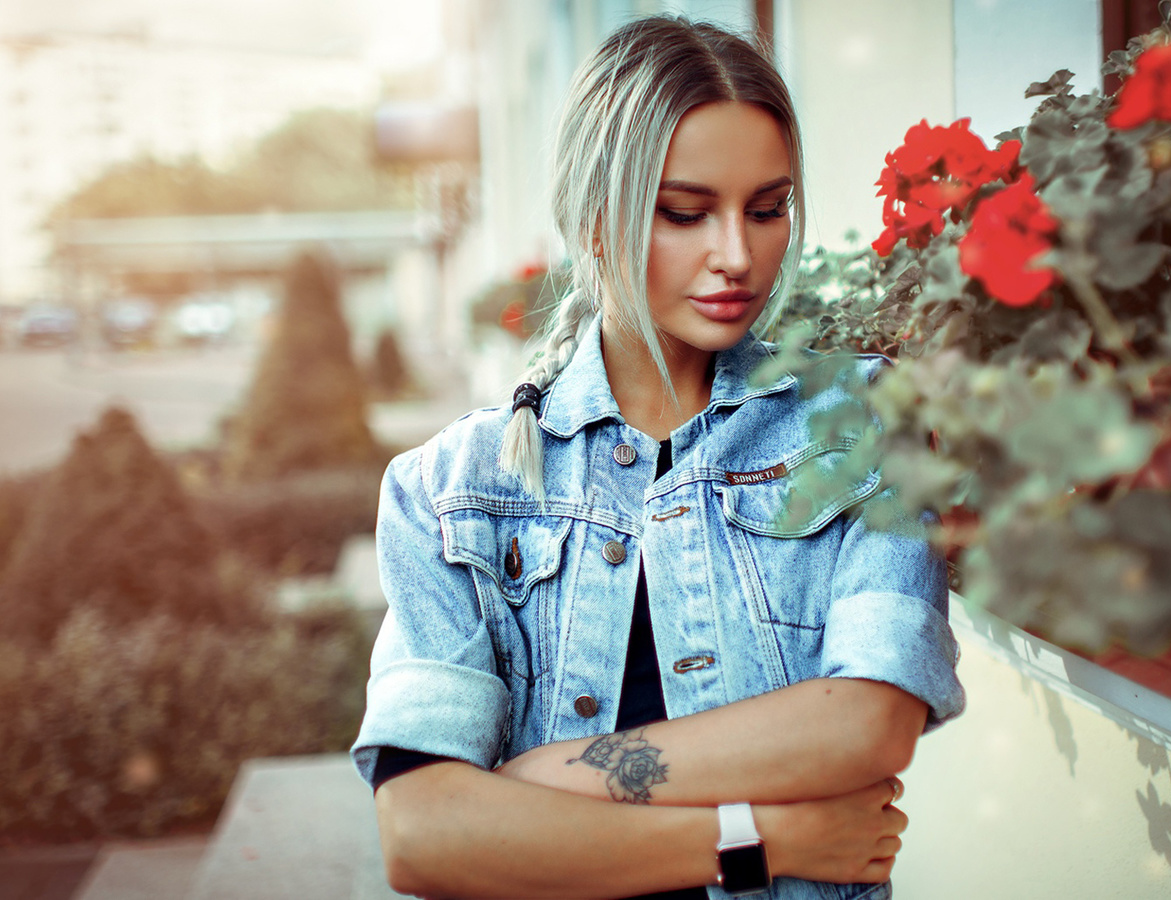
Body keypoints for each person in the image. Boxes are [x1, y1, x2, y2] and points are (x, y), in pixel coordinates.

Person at [351, 15, 964, 900]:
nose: (737, 256)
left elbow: (867, 724)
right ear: (595, 218)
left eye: (767, 209)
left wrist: (549, 775)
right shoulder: (450, 492)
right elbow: (423, 835)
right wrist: (760, 838)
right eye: (685, 213)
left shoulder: (864, 420)